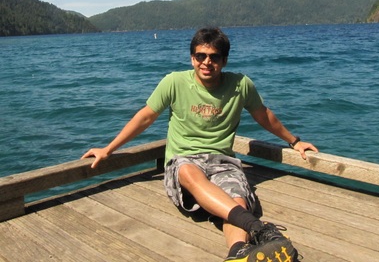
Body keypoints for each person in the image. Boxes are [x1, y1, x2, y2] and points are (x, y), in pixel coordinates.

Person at [82, 27, 318, 262]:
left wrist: (294, 142)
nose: (207, 62)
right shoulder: (174, 82)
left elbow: (263, 115)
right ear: (192, 58)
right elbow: (145, 117)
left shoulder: (241, 85)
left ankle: (237, 253)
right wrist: (108, 149)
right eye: (200, 56)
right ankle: (257, 227)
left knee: (237, 198)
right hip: (183, 160)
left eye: (214, 57)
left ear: (224, 60)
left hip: (223, 161)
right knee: (188, 172)